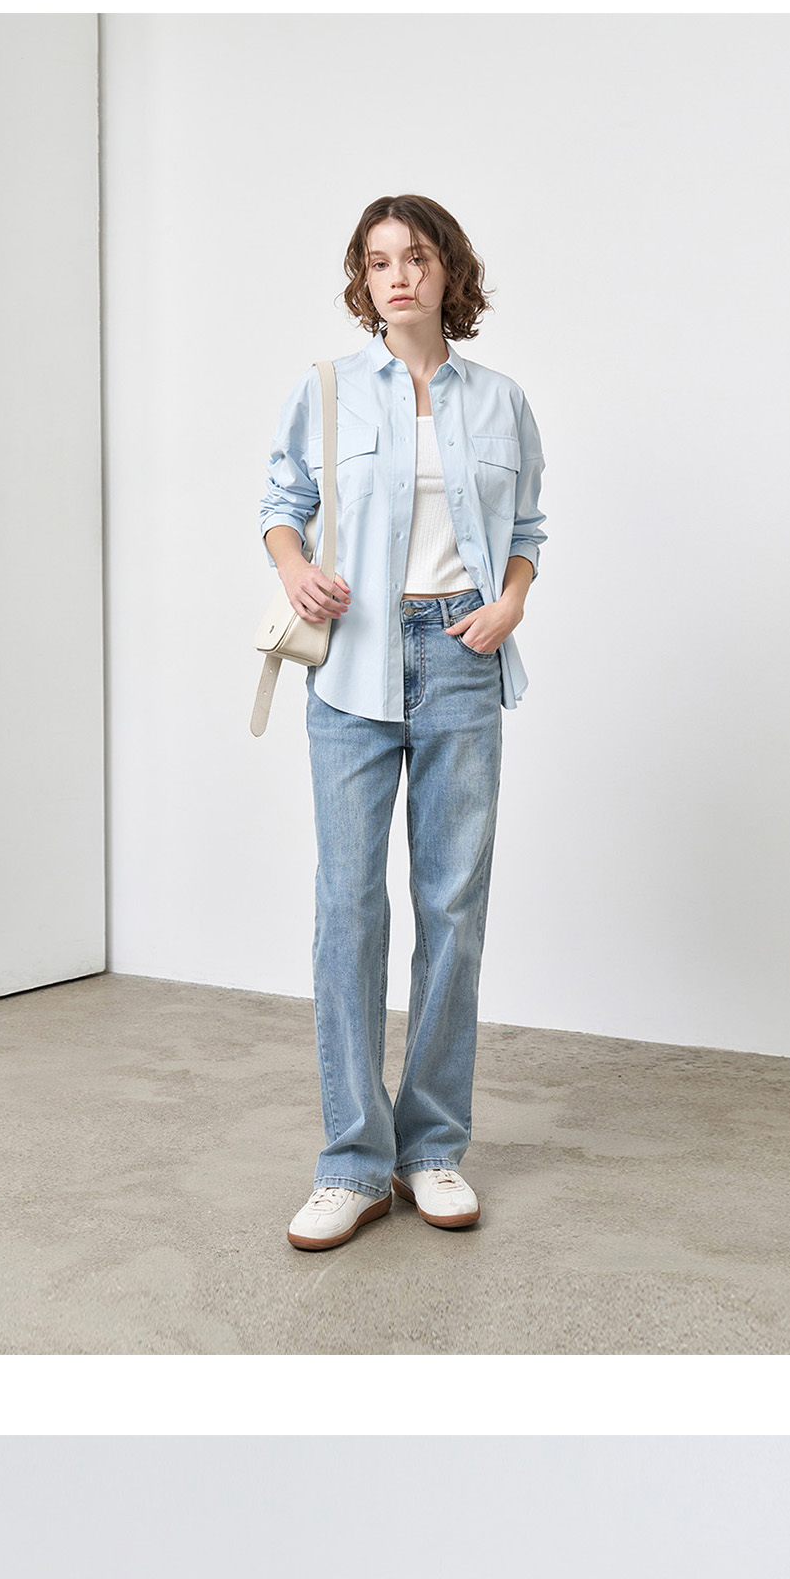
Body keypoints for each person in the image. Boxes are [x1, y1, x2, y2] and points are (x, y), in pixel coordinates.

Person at [262, 190, 545, 1251]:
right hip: (352, 667)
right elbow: (280, 506)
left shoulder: (501, 400)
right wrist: (295, 571)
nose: (397, 277)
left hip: (462, 658)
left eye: (416, 257)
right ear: (362, 280)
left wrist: (509, 603)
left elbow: (527, 528)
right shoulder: (329, 390)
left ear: (447, 272)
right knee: (347, 908)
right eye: (378, 261)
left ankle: (431, 1150)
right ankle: (351, 1162)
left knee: (452, 907)